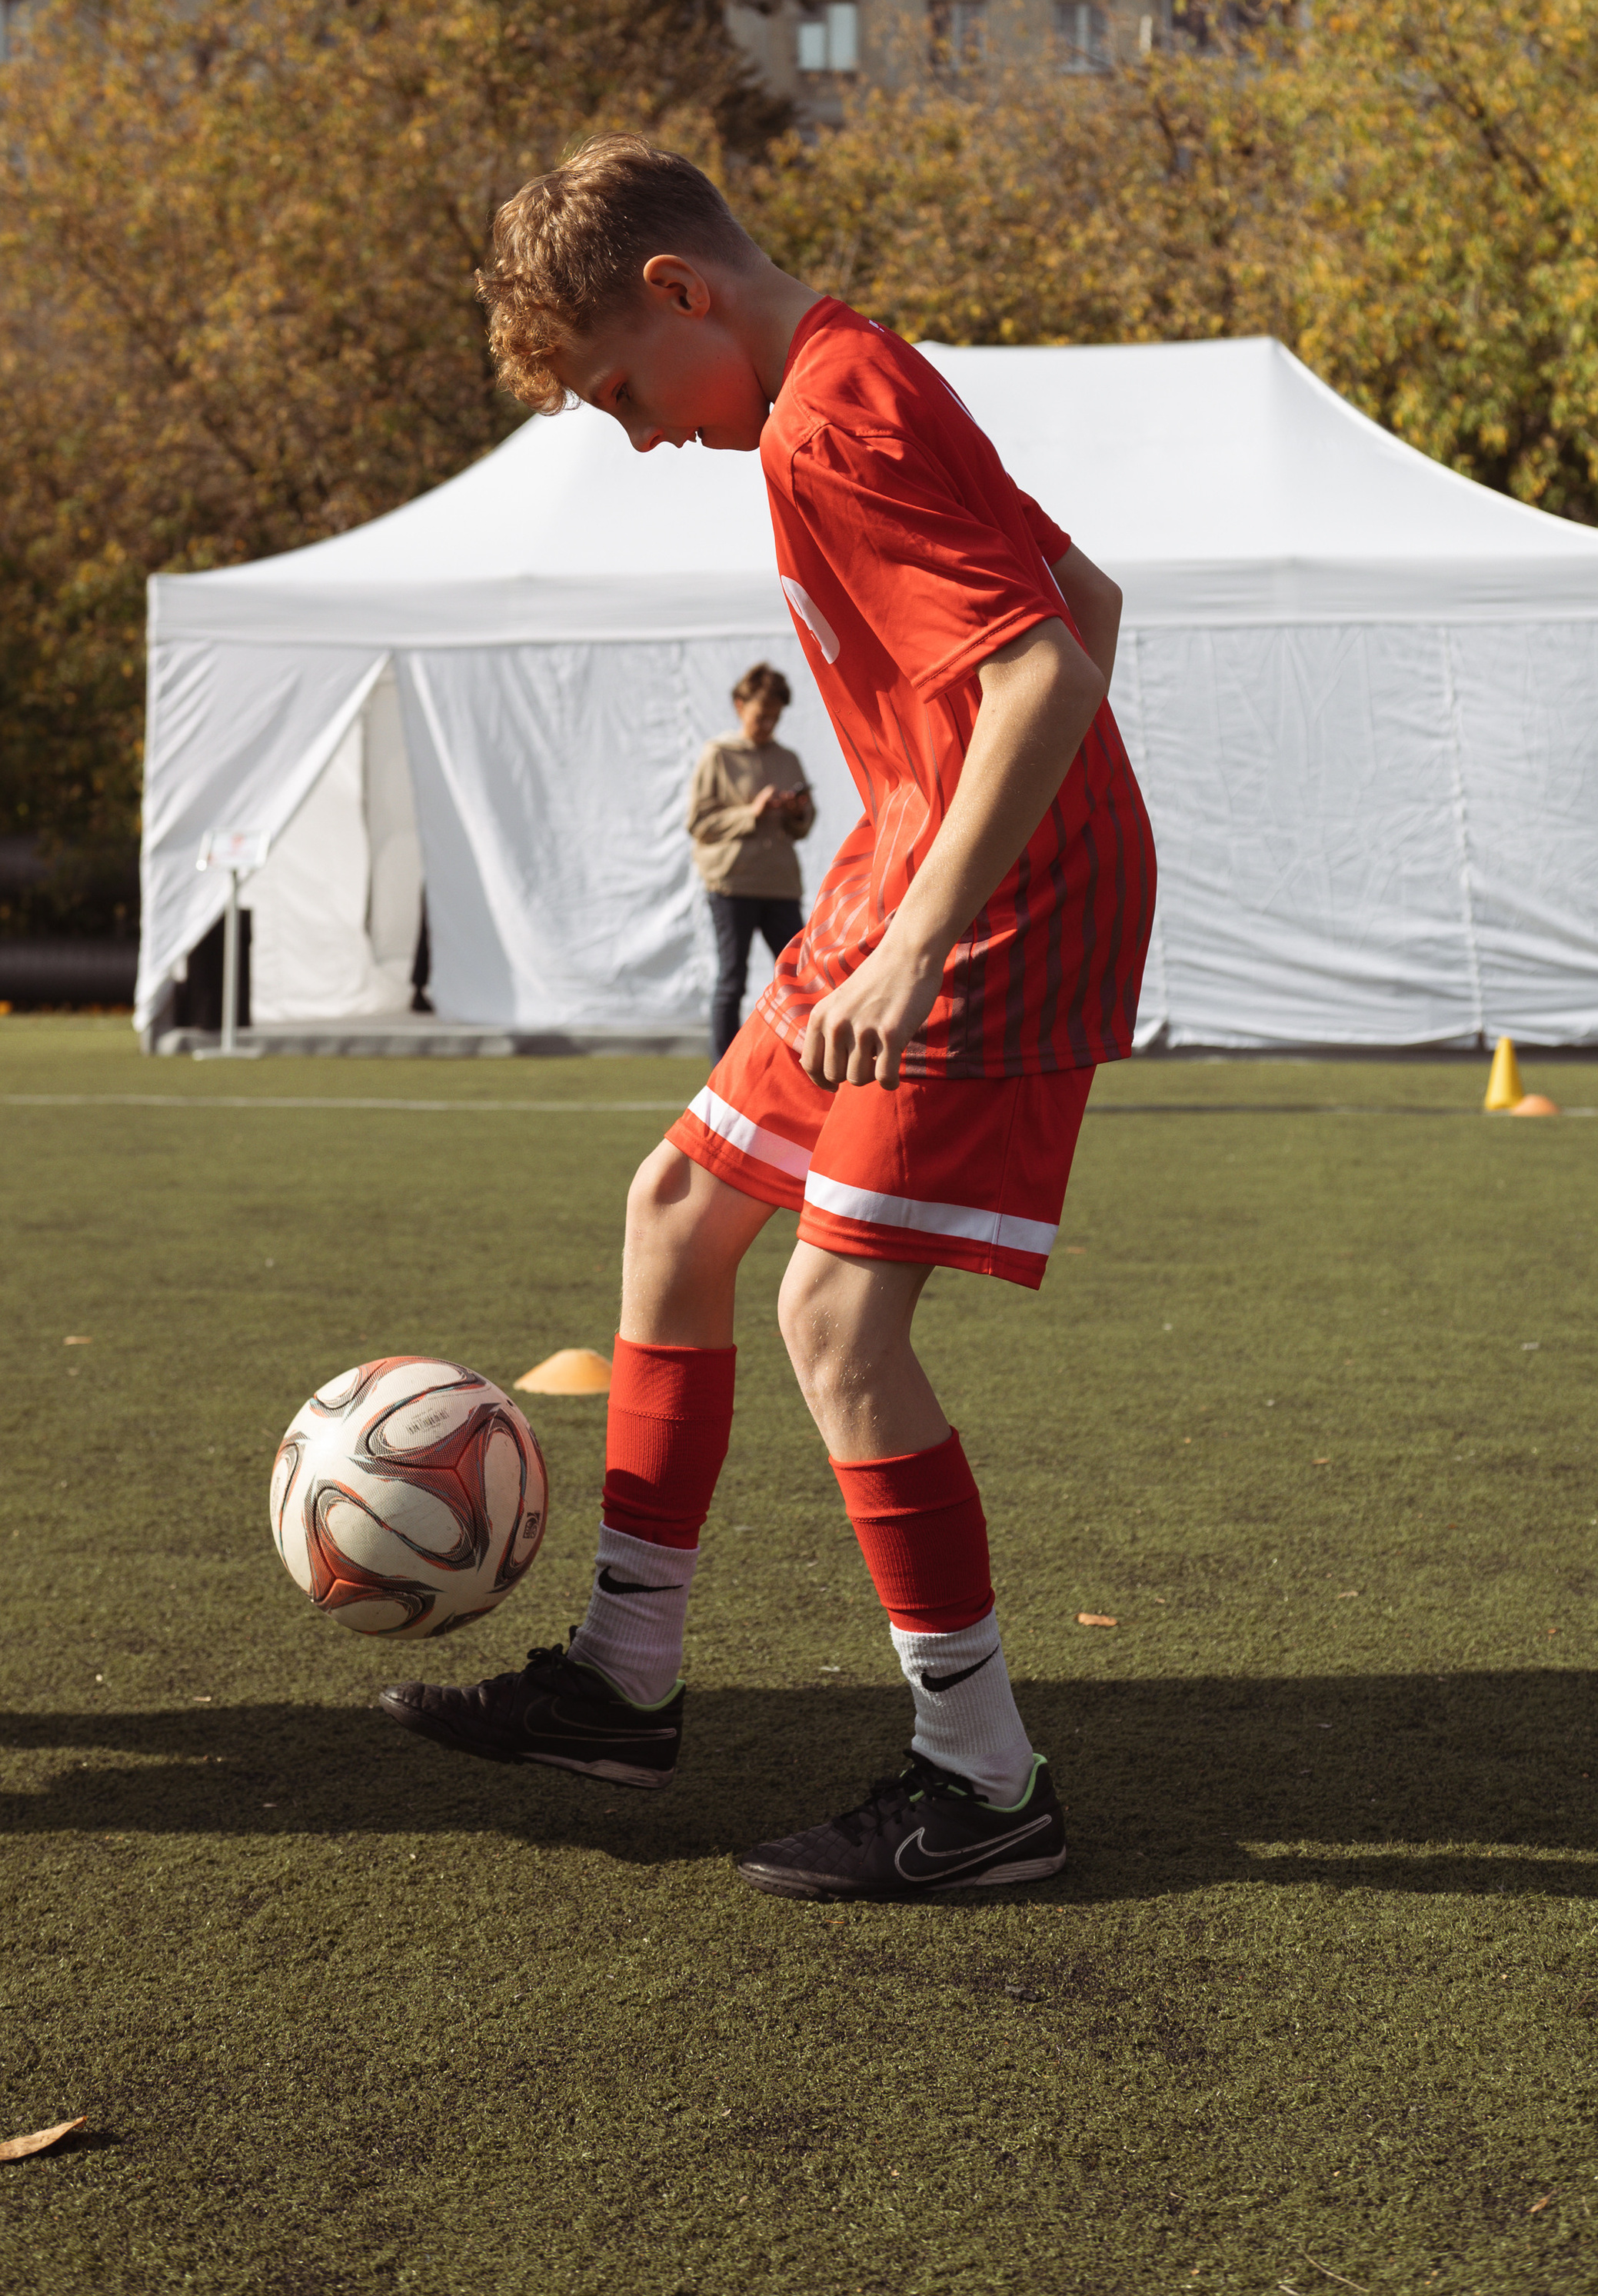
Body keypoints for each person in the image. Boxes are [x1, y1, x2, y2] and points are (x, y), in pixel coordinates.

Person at [378, 134, 1156, 1901]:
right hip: (909, 862)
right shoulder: (842, 378)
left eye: (622, 392)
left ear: (678, 291)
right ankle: (620, 1681)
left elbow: (1039, 663)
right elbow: (1086, 604)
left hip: (985, 896)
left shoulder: (831, 415)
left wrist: (936, 914)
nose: (641, 433)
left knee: (834, 1318)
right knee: (674, 1212)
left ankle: (983, 1789)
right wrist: (908, 836)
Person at [687, 664, 814, 1061]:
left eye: (776, 716)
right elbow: (699, 824)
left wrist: (796, 812)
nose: (769, 723)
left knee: (802, 978)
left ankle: (802, 1062)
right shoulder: (718, 756)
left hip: (779, 885)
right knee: (733, 982)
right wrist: (751, 813)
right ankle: (721, 1073)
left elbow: (804, 826)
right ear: (740, 706)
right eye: (762, 715)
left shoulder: (788, 758)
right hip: (733, 885)